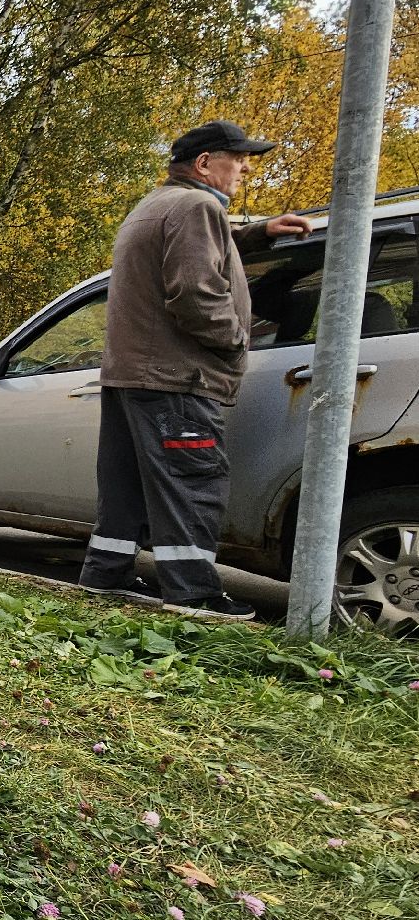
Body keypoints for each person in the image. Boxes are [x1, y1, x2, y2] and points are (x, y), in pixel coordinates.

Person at [77, 120, 312, 620]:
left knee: (127, 485)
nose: (246, 167)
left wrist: (257, 233)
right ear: (205, 163)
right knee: (192, 483)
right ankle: (194, 594)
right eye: (239, 158)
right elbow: (197, 294)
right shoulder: (198, 206)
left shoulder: (154, 206)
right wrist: (237, 342)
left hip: (132, 375)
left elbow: (195, 248)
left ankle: (107, 573)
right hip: (178, 377)